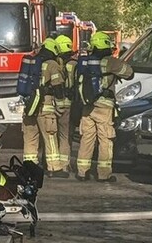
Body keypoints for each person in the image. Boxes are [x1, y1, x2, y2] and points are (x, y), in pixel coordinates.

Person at [75, 31, 134, 183]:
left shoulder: (86, 61)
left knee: (86, 138)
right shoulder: (111, 62)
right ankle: (103, 174)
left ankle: (82, 172)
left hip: (87, 105)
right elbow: (129, 73)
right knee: (105, 139)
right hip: (104, 106)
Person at [20, 37, 67, 177]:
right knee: (50, 137)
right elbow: (58, 87)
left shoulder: (31, 62)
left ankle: (30, 169)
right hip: (44, 108)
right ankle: (54, 168)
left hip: (29, 107)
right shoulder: (52, 64)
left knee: (30, 139)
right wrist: (60, 107)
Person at [51, 33, 76, 177]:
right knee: (65, 135)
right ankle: (65, 165)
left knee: (52, 135)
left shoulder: (53, 64)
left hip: (53, 103)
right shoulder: (74, 64)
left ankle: (54, 165)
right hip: (68, 104)